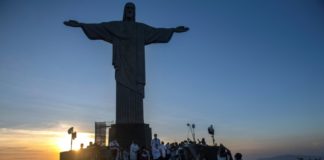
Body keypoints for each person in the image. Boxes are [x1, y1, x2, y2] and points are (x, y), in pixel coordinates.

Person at [64, 2, 189, 124]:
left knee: (136, 96)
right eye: (128, 8)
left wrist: (173, 30)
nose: (130, 10)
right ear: (124, 11)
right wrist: (81, 25)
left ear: (134, 12)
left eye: (132, 8)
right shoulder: (116, 27)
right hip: (123, 67)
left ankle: (136, 121)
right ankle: (122, 121)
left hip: (137, 69)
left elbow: (156, 32)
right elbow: (100, 28)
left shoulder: (140, 29)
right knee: (122, 93)